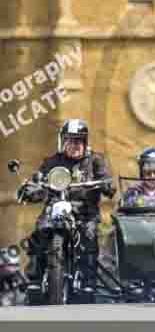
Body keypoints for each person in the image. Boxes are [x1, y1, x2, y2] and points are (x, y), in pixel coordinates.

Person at [19, 119, 115, 291]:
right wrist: (30, 188)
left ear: (85, 142)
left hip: (84, 211)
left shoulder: (95, 160)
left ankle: (88, 283)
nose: (74, 145)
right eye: (70, 140)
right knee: (40, 230)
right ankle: (34, 278)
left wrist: (106, 185)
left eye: (78, 140)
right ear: (63, 141)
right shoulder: (52, 161)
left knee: (89, 235)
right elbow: (38, 179)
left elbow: (106, 179)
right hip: (56, 207)